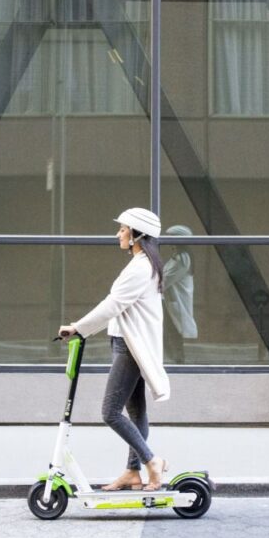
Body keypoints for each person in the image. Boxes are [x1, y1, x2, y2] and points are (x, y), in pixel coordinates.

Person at [57, 207, 170, 492]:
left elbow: (113, 305)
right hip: (128, 343)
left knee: (110, 412)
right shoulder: (143, 265)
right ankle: (132, 472)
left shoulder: (141, 267)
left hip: (130, 347)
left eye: (122, 229)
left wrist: (78, 328)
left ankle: (151, 461)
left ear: (137, 235)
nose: (118, 234)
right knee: (135, 411)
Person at [162, 225, 198, 363]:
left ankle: (178, 359)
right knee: (171, 331)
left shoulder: (182, 258)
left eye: (170, 237)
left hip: (176, 301)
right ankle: (174, 358)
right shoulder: (178, 256)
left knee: (174, 331)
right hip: (171, 301)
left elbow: (166, 279)